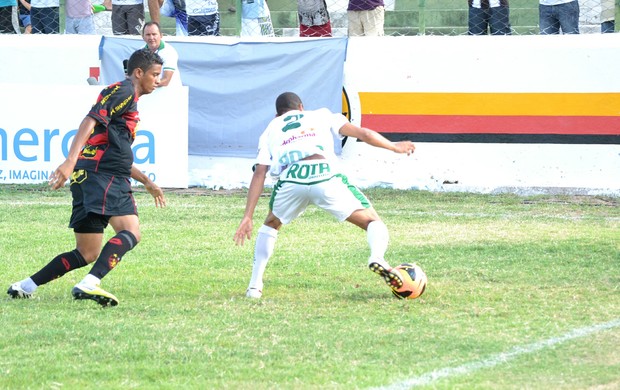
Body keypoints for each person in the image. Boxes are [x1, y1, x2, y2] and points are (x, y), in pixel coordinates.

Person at [7, 48, 166, 307]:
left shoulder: (127, 98)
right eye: (155, 75)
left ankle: (25, 286)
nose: (158, 80)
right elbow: (89, 120)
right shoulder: (125, 91)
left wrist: (146, 181)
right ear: (139, 73)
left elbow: (114, 151)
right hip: (103, 177)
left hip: (91, 176)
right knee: (131, 231)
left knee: (87, 251)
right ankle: (89, 283)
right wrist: (69, 160)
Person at [233, 92, 416, 298]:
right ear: (301, 107)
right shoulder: (321, 114)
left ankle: (254, 287)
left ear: (278, 115)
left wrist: (248, 216)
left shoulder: (270, 129)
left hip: (293, 177)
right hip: (324, 173)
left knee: (271, 224)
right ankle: (378, 257)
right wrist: (393, 146)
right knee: (372, 221)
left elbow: (260, 173)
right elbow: (363, 133)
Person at [142, 21, 182, 86]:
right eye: (148, 34)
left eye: (154, 34)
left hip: (170, 92)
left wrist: (145, 84)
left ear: (161, 35)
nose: (151, 38)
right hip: (149, 90)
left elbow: (166, 80)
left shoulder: (169, 52)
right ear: (143, 37)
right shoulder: (140, 51)